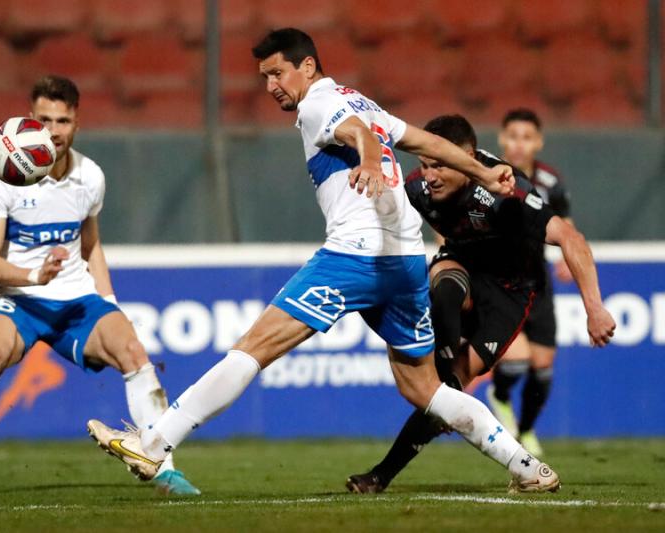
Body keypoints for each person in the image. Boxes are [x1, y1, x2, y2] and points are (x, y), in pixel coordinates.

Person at [86, 28, 562, 494]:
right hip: (404, 262)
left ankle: (155, 441)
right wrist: (482, 169)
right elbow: (423, 141)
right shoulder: (361, 100)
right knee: (427, 390)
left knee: (254, 346)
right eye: (264, 77)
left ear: (307, 67)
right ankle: (524, 465)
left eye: (277, 73)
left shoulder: (319, 104)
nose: (271, 86)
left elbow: (356, 134)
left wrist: (371, 160)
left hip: (354, 255)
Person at [0, 75, 199, 498]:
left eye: (63, 120)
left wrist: (110, 304)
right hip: (17, 298)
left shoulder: (90, 176)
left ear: (76, 124)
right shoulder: (3, 176)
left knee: (132, 350)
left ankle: (163, 468)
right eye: (43, 119)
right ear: (29, 121)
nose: (53, 130)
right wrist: (32, 277)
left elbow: (91, 245)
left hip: (75, 298)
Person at [345, 114, 615, 493]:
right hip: (462, 265)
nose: (430, 176)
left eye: (439, 164)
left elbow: (571, 238)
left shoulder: (508, 191)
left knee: (449, 391)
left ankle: (390, 462)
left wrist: (595, 308)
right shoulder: (415, 189)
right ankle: (381, 474)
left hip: (510, 291)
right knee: (446, 287)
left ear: (467, 158)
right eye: (425, 164)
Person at [486, 109, 574, 457]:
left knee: (543, 371)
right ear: (501, 138)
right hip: (498, 281)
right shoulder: (487, 174)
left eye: (527, 137)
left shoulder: (551, 182)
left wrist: (570, 253)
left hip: (538, 279)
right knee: (516, 362)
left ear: (538, 141)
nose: (519, 144)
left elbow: (566, 223)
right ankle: (500, 395)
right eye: (513, 136)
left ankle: (525, 430)